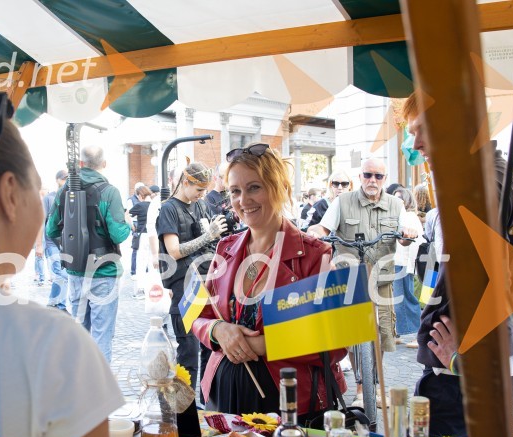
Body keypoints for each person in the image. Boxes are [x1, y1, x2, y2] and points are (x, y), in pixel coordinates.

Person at [0, 106, 128, 437]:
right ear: (10, 192)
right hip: (102, 272)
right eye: (34, 185)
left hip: (70, 270)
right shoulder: (48, 347)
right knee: (97, 335)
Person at [402, 91, 513, 437]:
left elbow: (496, 281)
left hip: (465, 376)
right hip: (486, 366)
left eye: (423, 128)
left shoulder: (477, 188)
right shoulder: (505, 174)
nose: (415, 143)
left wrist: (460, 359)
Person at [192, 143, 347, 416]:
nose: (243, 200)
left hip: (288, 402)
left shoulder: (314, 254)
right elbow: (196, 314)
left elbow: (336, 341)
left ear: (279, 188)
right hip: (224, 395)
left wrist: (262, 344)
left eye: (254, 187)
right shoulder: (224, 248)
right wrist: (218, 330)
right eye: (235, 191)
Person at [308, 159, 419, 407]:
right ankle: (361, 388)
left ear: (384, 179)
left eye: (378, 177)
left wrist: (408, 235)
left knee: (381, 335)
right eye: (368, 175)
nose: (373, 181)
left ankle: (375, 386)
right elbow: (323, 228)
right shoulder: (342, 201)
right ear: (360, 177)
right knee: (353, 335)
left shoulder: (396, 204)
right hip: (350, 282)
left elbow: (403, 237)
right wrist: (313, 233)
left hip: (381, 282)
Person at [46, 145, 132, 364]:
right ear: (104, 164)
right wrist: (128, 223)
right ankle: (100, 390)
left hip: (75, 271)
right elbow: (118, 233)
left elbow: (51, 230)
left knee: (80, 333)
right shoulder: (109, 191)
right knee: (102, 334)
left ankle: (79, 385)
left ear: (81, 163)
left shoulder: (66, 189)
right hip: (104, 270)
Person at [156, 161, 225, 387]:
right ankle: (184, 411)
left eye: (204, 191)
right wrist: (209, 236)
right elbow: (174, 251)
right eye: (198, 190)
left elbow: (210, 238)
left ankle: (206, 401)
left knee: (209, 348)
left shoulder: (201, 205)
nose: (201, 195)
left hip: (205, 282)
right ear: (185, 183)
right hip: (183, 286)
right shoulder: (169, 209)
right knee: (188, 353)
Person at [392, 187, 425, 346]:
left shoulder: (409, 217)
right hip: (397, 262)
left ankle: (419, 334)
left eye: (400, 198)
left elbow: (415, 243)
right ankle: (397, 332)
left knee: (405, 299)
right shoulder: (402, 215)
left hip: (403, 263)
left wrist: (409, 266)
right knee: (395, 299)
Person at [39, 170, 68, 310]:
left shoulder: (70, 197)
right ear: (57, 180)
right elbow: (40, 222)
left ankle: (54, 303)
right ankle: (60, 305)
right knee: (61, 274)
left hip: (67, 244)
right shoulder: (49, 198)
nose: (67, 181)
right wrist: (39, 245)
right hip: (52, 243)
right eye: (64, 178)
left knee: (61, 276)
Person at [129, 185, 153, 293]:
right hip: (154, 236)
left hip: (143, 235)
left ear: (140, 195)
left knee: (141, 262)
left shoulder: (140, 205)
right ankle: (152, 287)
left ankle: (141, 288)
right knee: (152, 262)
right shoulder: (155, 205)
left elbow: (127, 214)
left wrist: (132, 226)